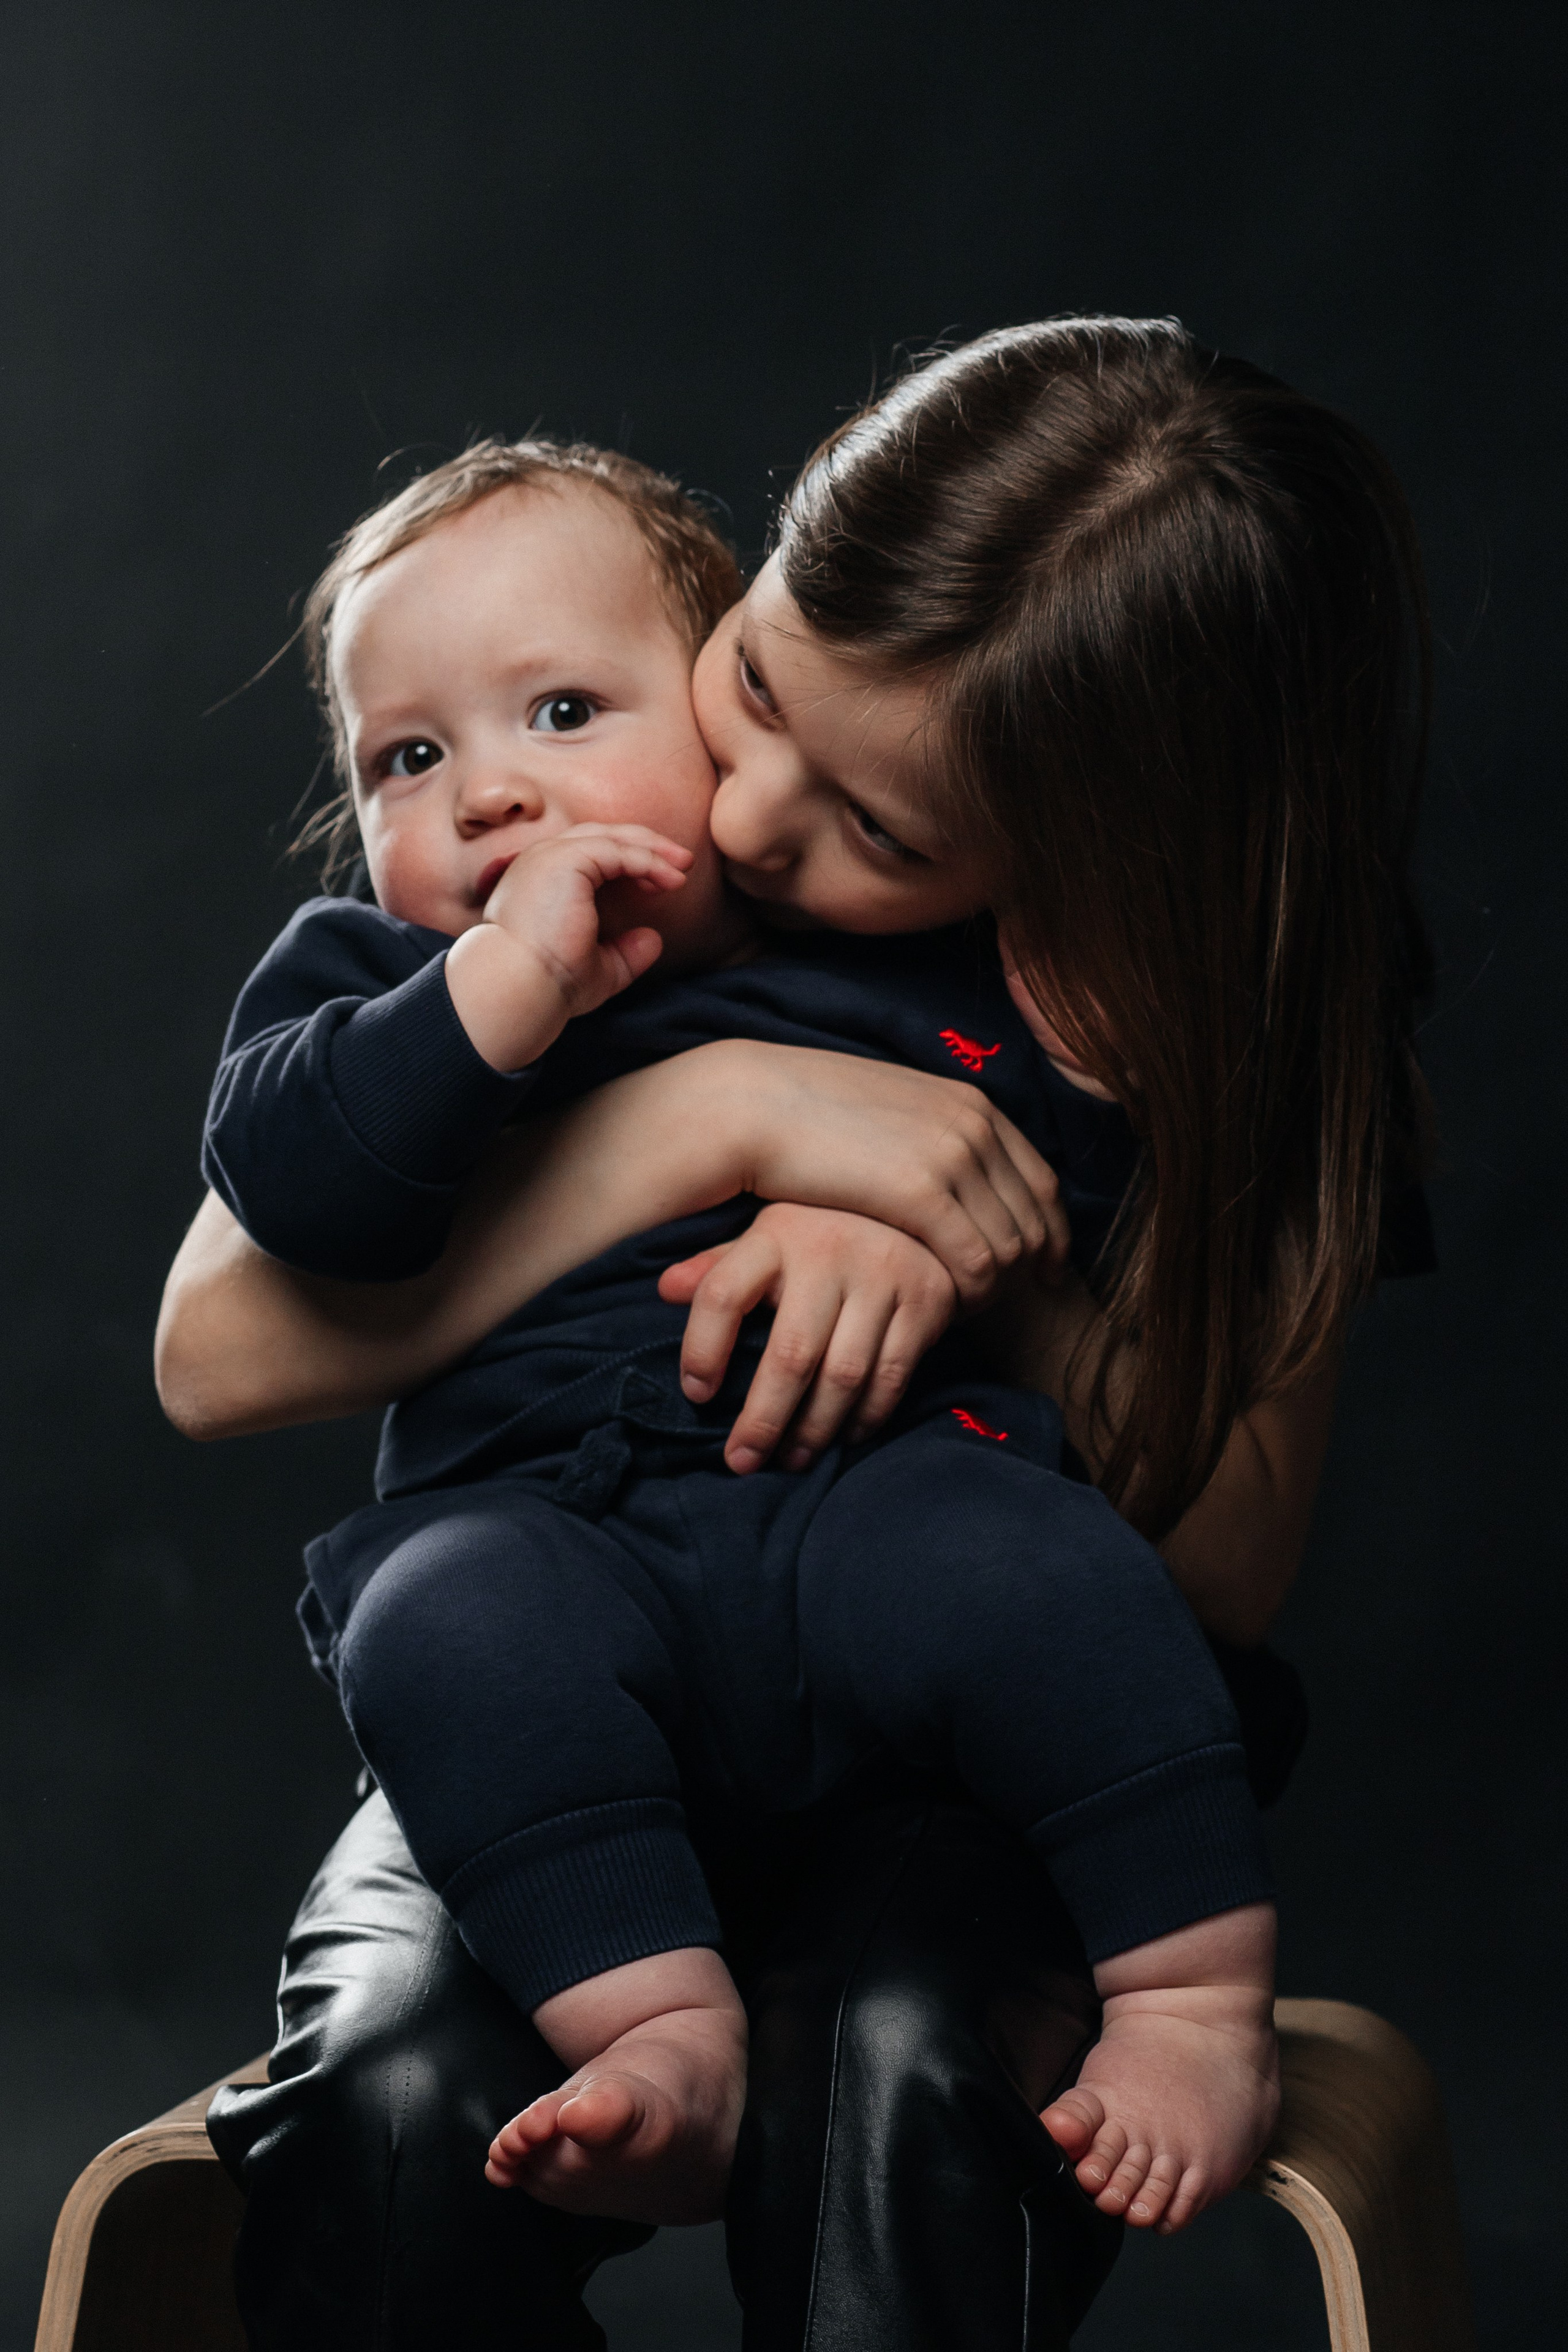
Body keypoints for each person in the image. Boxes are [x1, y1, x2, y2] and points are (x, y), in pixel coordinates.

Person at [157, 317, 1434, 2350]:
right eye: (751, 683)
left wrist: (978, 1259)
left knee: (889, 2069)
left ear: (1082, 856)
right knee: (405, 2094)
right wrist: (723, 1116)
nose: (754, 823)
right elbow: (217, 1352)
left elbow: (1223, 1564)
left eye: (886, 832)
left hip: (926, 1671)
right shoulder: (530, 888)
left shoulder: (1147, 995)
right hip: (580, 1644)